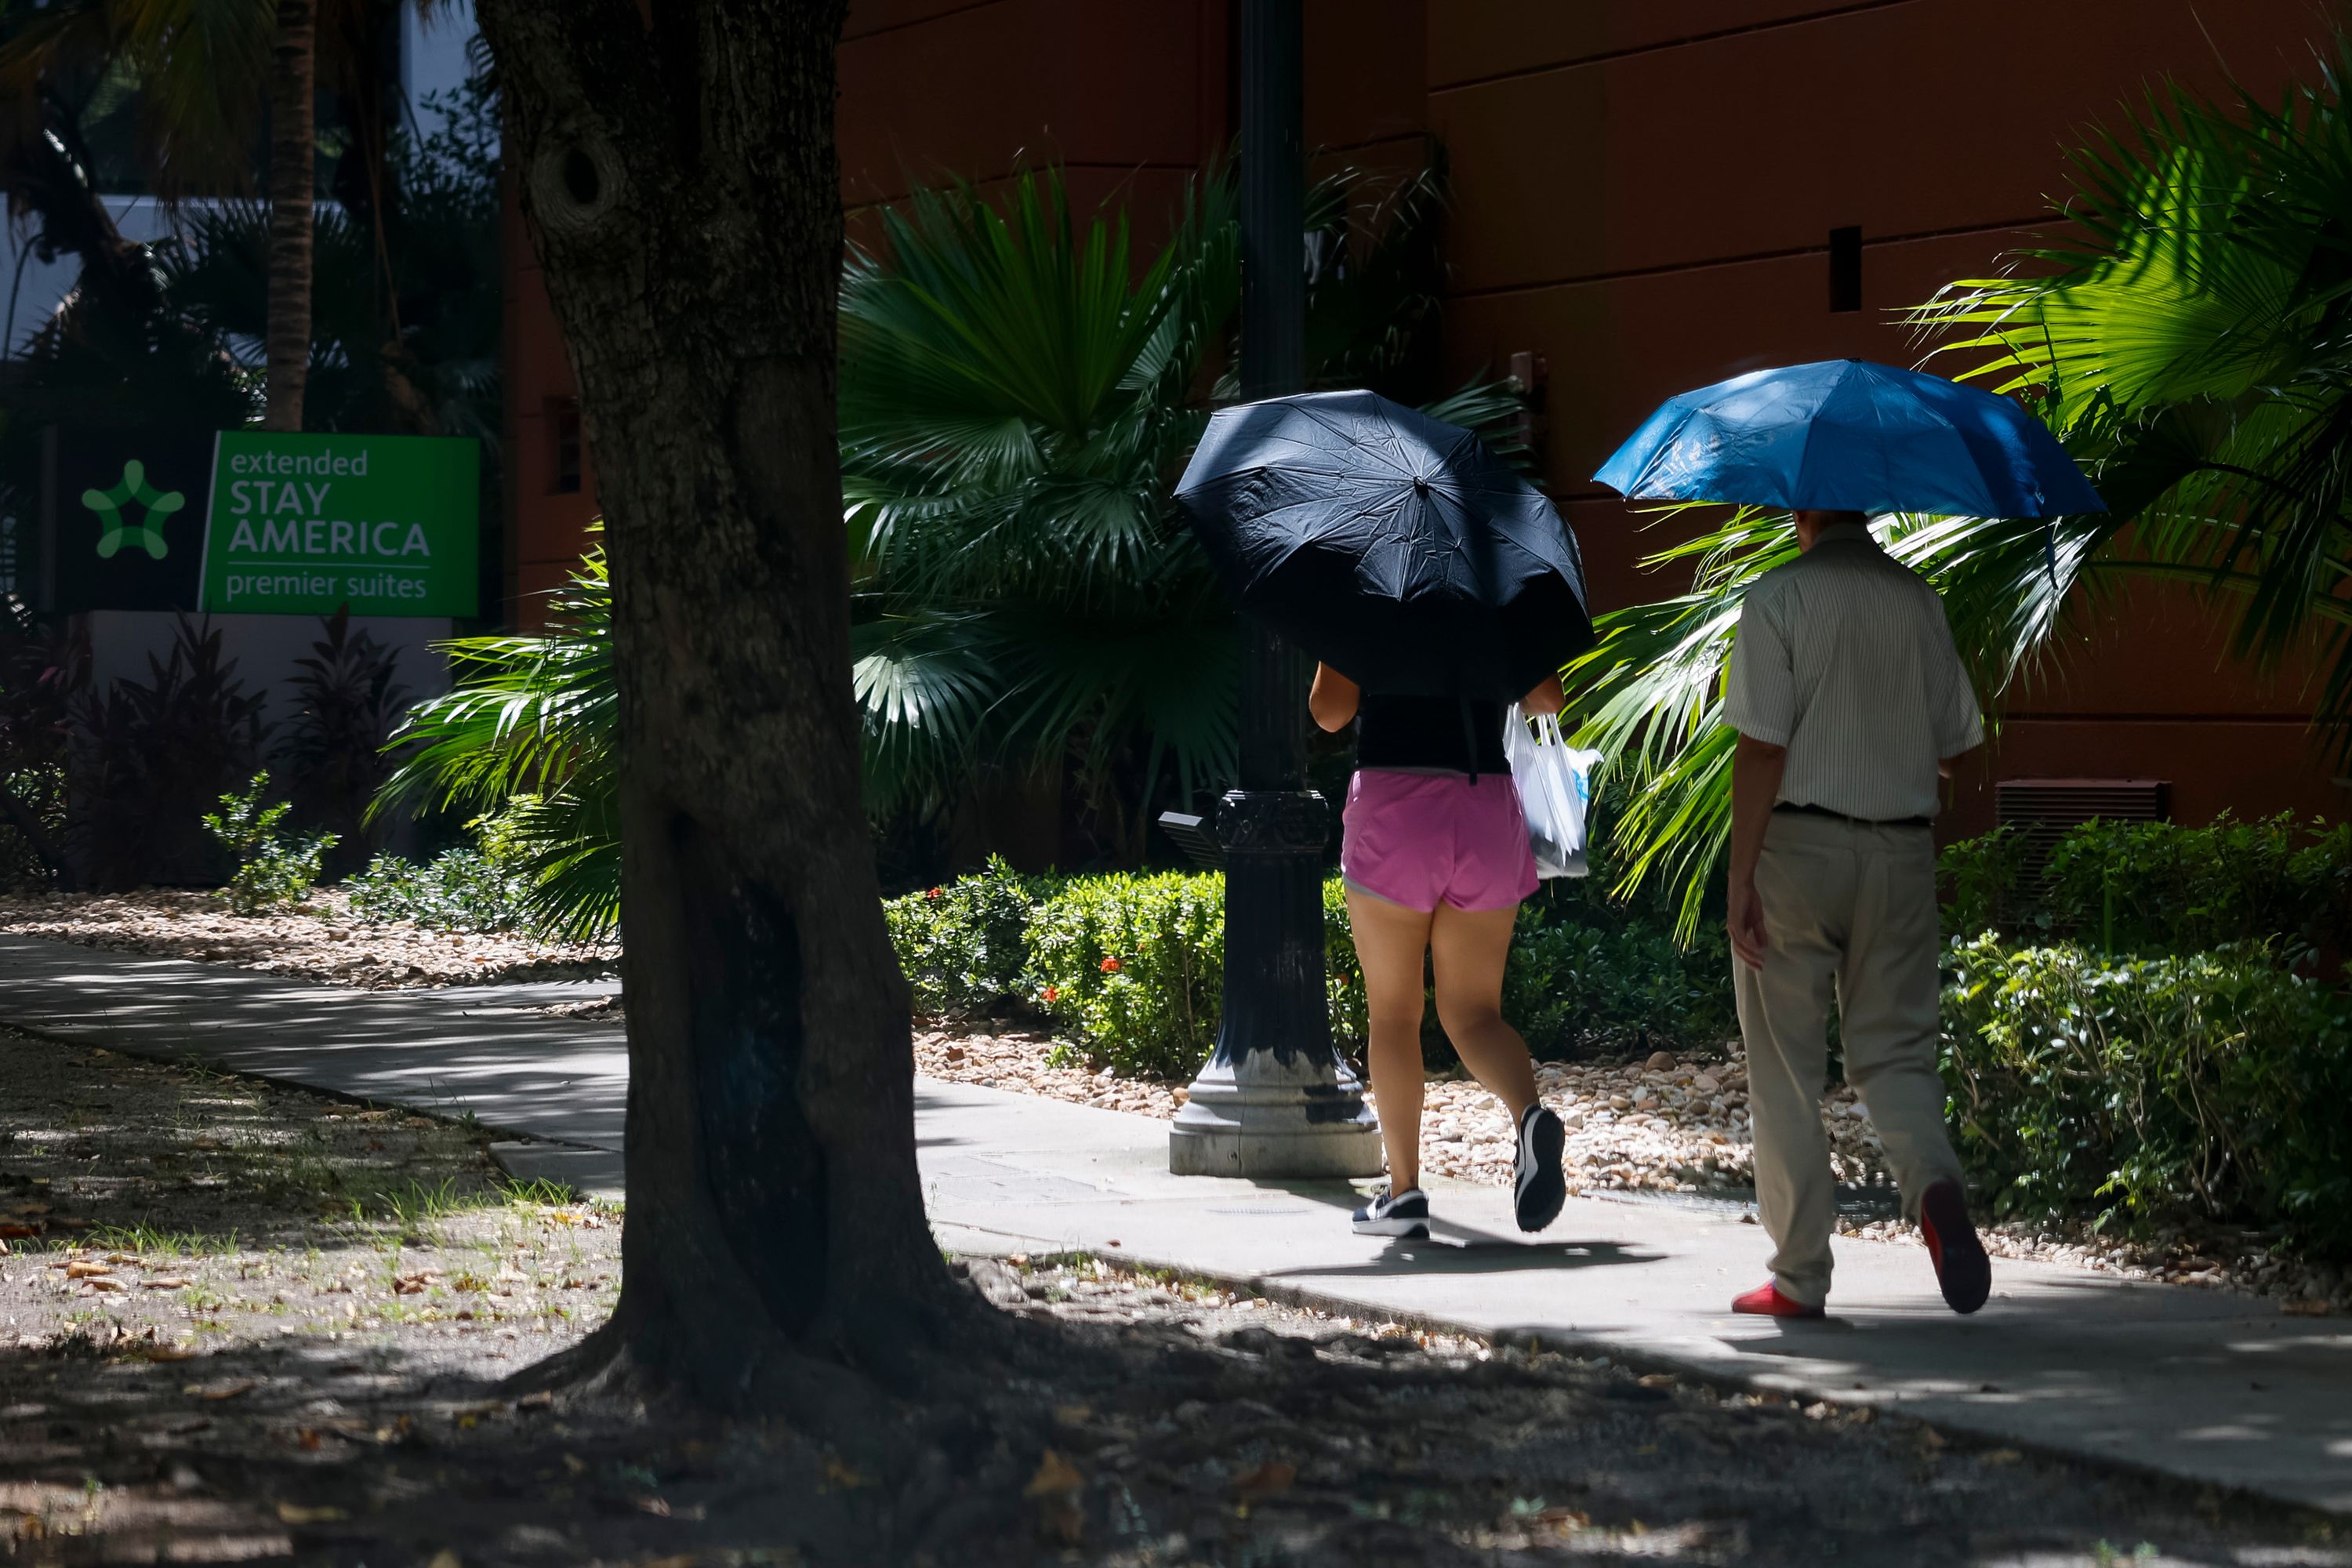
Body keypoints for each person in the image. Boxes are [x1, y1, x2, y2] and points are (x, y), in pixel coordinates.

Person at [1722, 509, 1991, 1318]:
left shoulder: (1777, 598)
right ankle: (1936, 1188)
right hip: (1901, 850)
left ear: (1802, 510)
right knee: (1898, 1052)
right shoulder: (1920, 600)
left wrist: (1740, 878)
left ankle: (1800, 1275)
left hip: (1797, 851)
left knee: (1786, 1067)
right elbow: (1956, 745)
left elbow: (1763, 747)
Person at [1309, 665, 1570, 1240]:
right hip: (1485, 807)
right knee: (1476, 1014)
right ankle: (1530, 1118)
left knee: (1396, 1014)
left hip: (1394, 806)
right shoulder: (1499, 584)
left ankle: (1404, 1196)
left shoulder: (1371, 584)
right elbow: (1548, 699)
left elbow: (1328, 712)